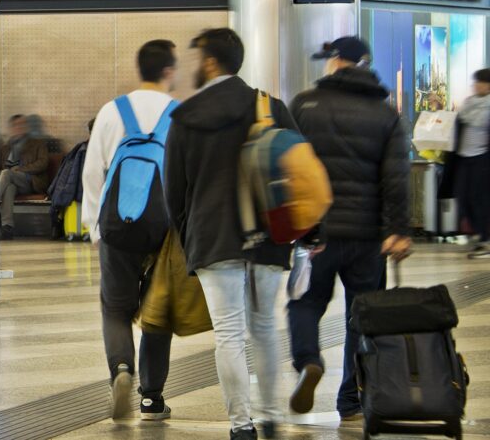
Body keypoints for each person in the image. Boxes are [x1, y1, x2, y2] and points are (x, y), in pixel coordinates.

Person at [164, 28, 296, 440]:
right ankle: (273, 415)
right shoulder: (271, 107)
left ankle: (242, 426)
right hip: (269, 234)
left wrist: (191, 237)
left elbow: (175, 191)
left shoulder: (186, 116)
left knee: (229, 334)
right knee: (264, 327)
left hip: (213, 234)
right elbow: (298, 168)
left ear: (209, 62)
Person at [285, 36, 411, 423]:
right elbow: (396, 176)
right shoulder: (386, 113)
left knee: (304, 302)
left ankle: (309, 361)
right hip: (367, 235)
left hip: (314, 232)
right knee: (363, 315)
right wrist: (398, 230)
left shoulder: (304, 105)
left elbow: (287, 166)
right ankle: (352, 400)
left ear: (339, 62)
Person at [81, 39, 177, 421]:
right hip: (163, 226)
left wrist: (94, 228)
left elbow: (92, 172)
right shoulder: (179, 114)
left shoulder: (112, 110)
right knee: (157, 311)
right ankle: (152, 398)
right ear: (169, 71)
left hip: (117, 224)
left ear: (140, 69)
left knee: (115, 307)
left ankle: (121, 368)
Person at [444, 68, 490, 259]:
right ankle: (480, 235)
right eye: (475, 82)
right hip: (463, 158)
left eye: (480, 82)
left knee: (480, 200)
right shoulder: (468, 104)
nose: (476, 85)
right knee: (462, 198)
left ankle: (485, 240)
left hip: (482, 160)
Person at [0, 114, 49, 240]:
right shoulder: (5, 148)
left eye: (22, 124)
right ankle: (7, 227)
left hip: (30, 181)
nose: (20, 127)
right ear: (11, 128)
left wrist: (20, 169)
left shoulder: (38, 143)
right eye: (16, 125)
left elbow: (43, 163)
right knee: (9, 187)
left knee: (6, 173)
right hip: (10, 182)